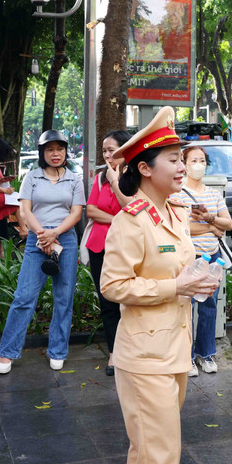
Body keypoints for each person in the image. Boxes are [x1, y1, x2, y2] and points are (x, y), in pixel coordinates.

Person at [101, 107, 218, 464]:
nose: (182, 166)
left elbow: (181, 271)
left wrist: (197, 283)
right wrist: (176, 287)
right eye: (172, 158)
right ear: (144, 168)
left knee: (146, 446)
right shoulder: (131, 221)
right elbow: (113, 285)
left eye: (180, 157)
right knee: (162, 451)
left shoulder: (172, 212)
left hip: (174, 348)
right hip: (144, 355)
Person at [0, 130, 85, 374]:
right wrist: (42, 234)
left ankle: (57, 350)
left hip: (64, 239)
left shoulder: (74, 180)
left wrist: (54, 233)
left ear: (65, 151)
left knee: (64, 298)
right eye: (49, 149)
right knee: (24, 296)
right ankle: (8, 352)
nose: (55, 154)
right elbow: (25, 209)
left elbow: (76, 213)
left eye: (59, 149)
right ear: (42, 153)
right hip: (37, 240)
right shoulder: (32, 177)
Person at [172, 146, 232, 375]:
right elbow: (182, 227)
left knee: (209, 306)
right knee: (185, 307)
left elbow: (228, 224)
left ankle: (205, 353)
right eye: (193, 160)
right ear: (184, 164)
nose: (198, 164)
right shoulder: (176, 194)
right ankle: (185, 356)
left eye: (201, 160)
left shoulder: (214, 194)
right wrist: (212, 225)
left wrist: (210, 220)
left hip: (212, 257)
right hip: (189, 258)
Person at [85, 130, 134, 376]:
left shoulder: (135, 177)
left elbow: (132, 207)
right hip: (98, 246)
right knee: (107, 302)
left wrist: (116, 182)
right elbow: (91, 210)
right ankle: (114, 353)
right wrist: (118, 219)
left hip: (126, 247)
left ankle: (131, 351)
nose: (107, 155)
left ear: (124, 151)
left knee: (127, 300)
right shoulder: (99, 178)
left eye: (111, 150)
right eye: (104, 150)